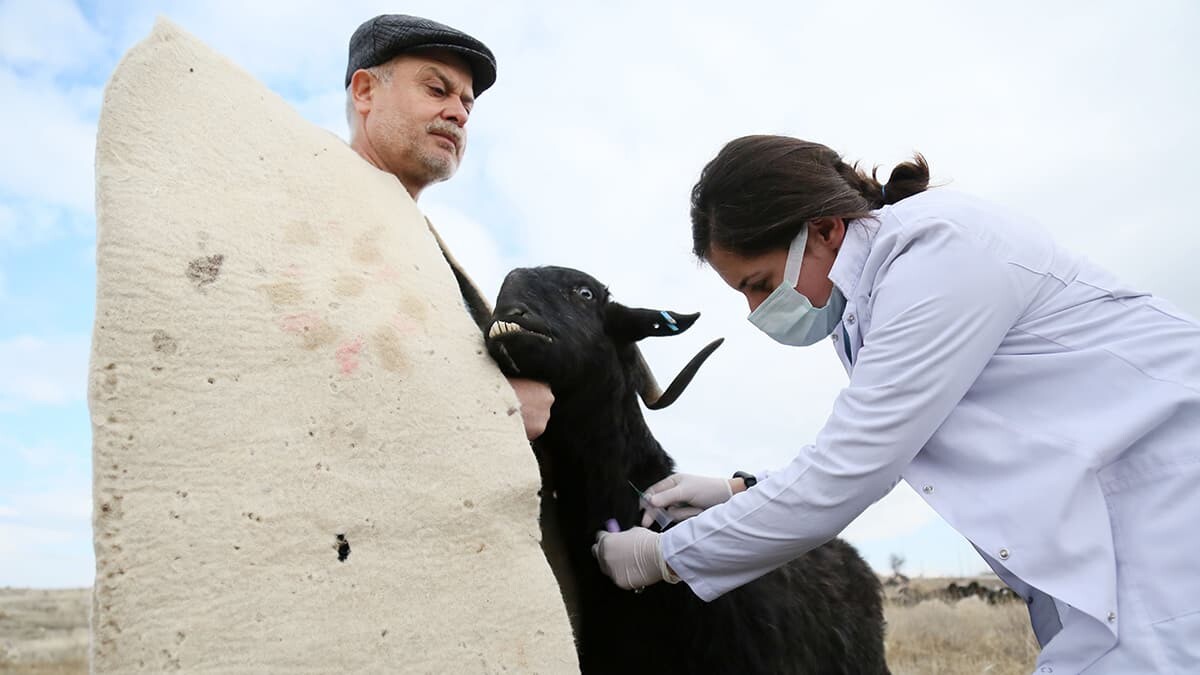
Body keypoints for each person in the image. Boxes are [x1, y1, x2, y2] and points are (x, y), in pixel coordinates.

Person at [592, 135, 1200, 672]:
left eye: (759, 283)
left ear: (825, 229)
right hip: (1123, 550)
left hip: (1170, 524)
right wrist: (740, 489)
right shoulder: (871, 302)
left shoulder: (939, 252)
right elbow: (888, 442)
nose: (756, 312)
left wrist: (663, 557)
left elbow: (853, 464)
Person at [343, 14, 552, 439]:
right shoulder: (307, 207)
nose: (459, 113)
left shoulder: (424, 249)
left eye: (468, 103)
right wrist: (492, 405)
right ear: (365, 91)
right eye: (437, 89)